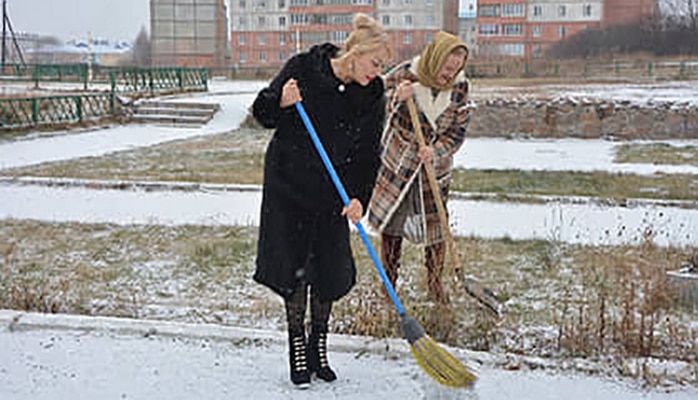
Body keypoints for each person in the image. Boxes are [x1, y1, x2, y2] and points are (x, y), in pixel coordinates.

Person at [251, 14, 391, 388]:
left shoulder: (372, 94)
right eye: (375, 63)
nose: (377, 73)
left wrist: (359, 197)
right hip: (289, 186)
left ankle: (318, 345)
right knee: (295, 265)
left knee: (327, 269)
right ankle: (297, 344)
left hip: (333, 192)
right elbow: (262, 113)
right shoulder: (304, 67)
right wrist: (280, 100)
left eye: (382, 67)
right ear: (356, 52)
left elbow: (368, 154)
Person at [367, 31, 470, 305]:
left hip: (432, 169)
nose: (450, 75)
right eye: (447, 68)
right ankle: (388, 286)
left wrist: (435, 151)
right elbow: (372, 102)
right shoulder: (405, 74)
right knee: (393, 227)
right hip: (399, 164)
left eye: (456, 69)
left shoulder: (460, 88)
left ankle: (435, 285)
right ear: (434, 59)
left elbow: (458, 132)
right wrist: (396, 97)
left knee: (437, 230)